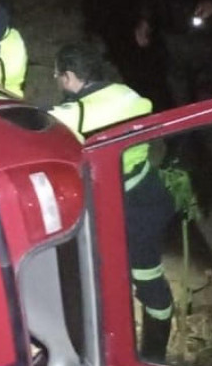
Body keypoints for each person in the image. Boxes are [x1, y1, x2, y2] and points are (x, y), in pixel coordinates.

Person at [48, 42, 176, 361]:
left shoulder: (74, 114)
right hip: (148, 190)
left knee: (135, 276)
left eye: (57, 74)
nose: (56, 79)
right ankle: (152, 349)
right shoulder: (128, 94)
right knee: (144, 272)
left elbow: (33, 126)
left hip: (123, 205)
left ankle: (148, 354)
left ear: (69, 76)